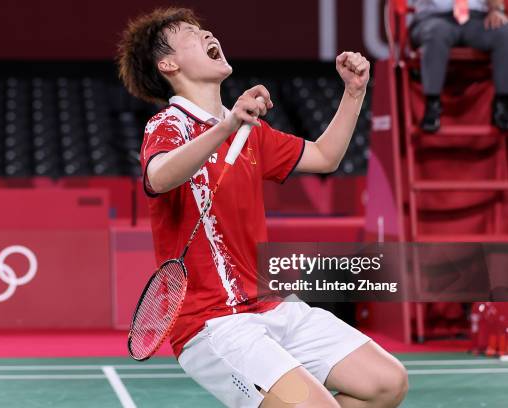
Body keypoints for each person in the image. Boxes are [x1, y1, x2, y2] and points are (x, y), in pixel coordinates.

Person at [118, 8, 408, 408]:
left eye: (204, 28)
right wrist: (227, 126)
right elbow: (160, 175)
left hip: (274, 308)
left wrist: (354, 91)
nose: (206, 34)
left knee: (386, 383)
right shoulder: (168, 125)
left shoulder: (251, 132)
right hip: (214, 325)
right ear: (167, 64)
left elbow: (324, 156)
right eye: (189, 33)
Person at [410, 0, 508, 132]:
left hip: (477, 19)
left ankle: (502, 105)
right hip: (434, 18)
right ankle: (432, 105)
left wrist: (497, 10)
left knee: (504, 33)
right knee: (435, 34)